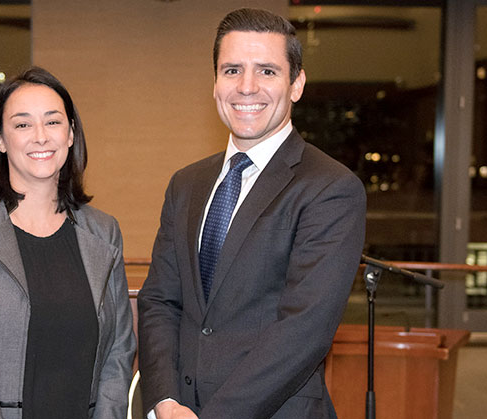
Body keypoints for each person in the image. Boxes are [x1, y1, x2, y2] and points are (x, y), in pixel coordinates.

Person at [138, 8, 366, 419]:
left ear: (296, 84)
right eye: (231, 70)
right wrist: (164, 399)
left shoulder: (331, 188)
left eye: (266, 71)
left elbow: (303, 331)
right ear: (214, 84)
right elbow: (159, 301)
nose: (246, 87)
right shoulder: (186, 184)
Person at [0, 66, 136, 419]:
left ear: (70, 134)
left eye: (53, 122)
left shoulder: (103, 231)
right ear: (0, 139)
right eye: (22, 124)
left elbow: (119, 350)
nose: (40, 136)